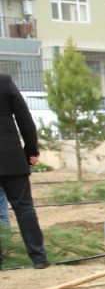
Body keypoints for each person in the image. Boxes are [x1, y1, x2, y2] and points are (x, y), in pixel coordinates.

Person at [0, 73, 49, 268]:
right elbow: (25, 119)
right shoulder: (4, 81)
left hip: (12, 159)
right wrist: (31, 151)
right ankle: (39, 258)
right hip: (11, 158)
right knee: (24, 208)